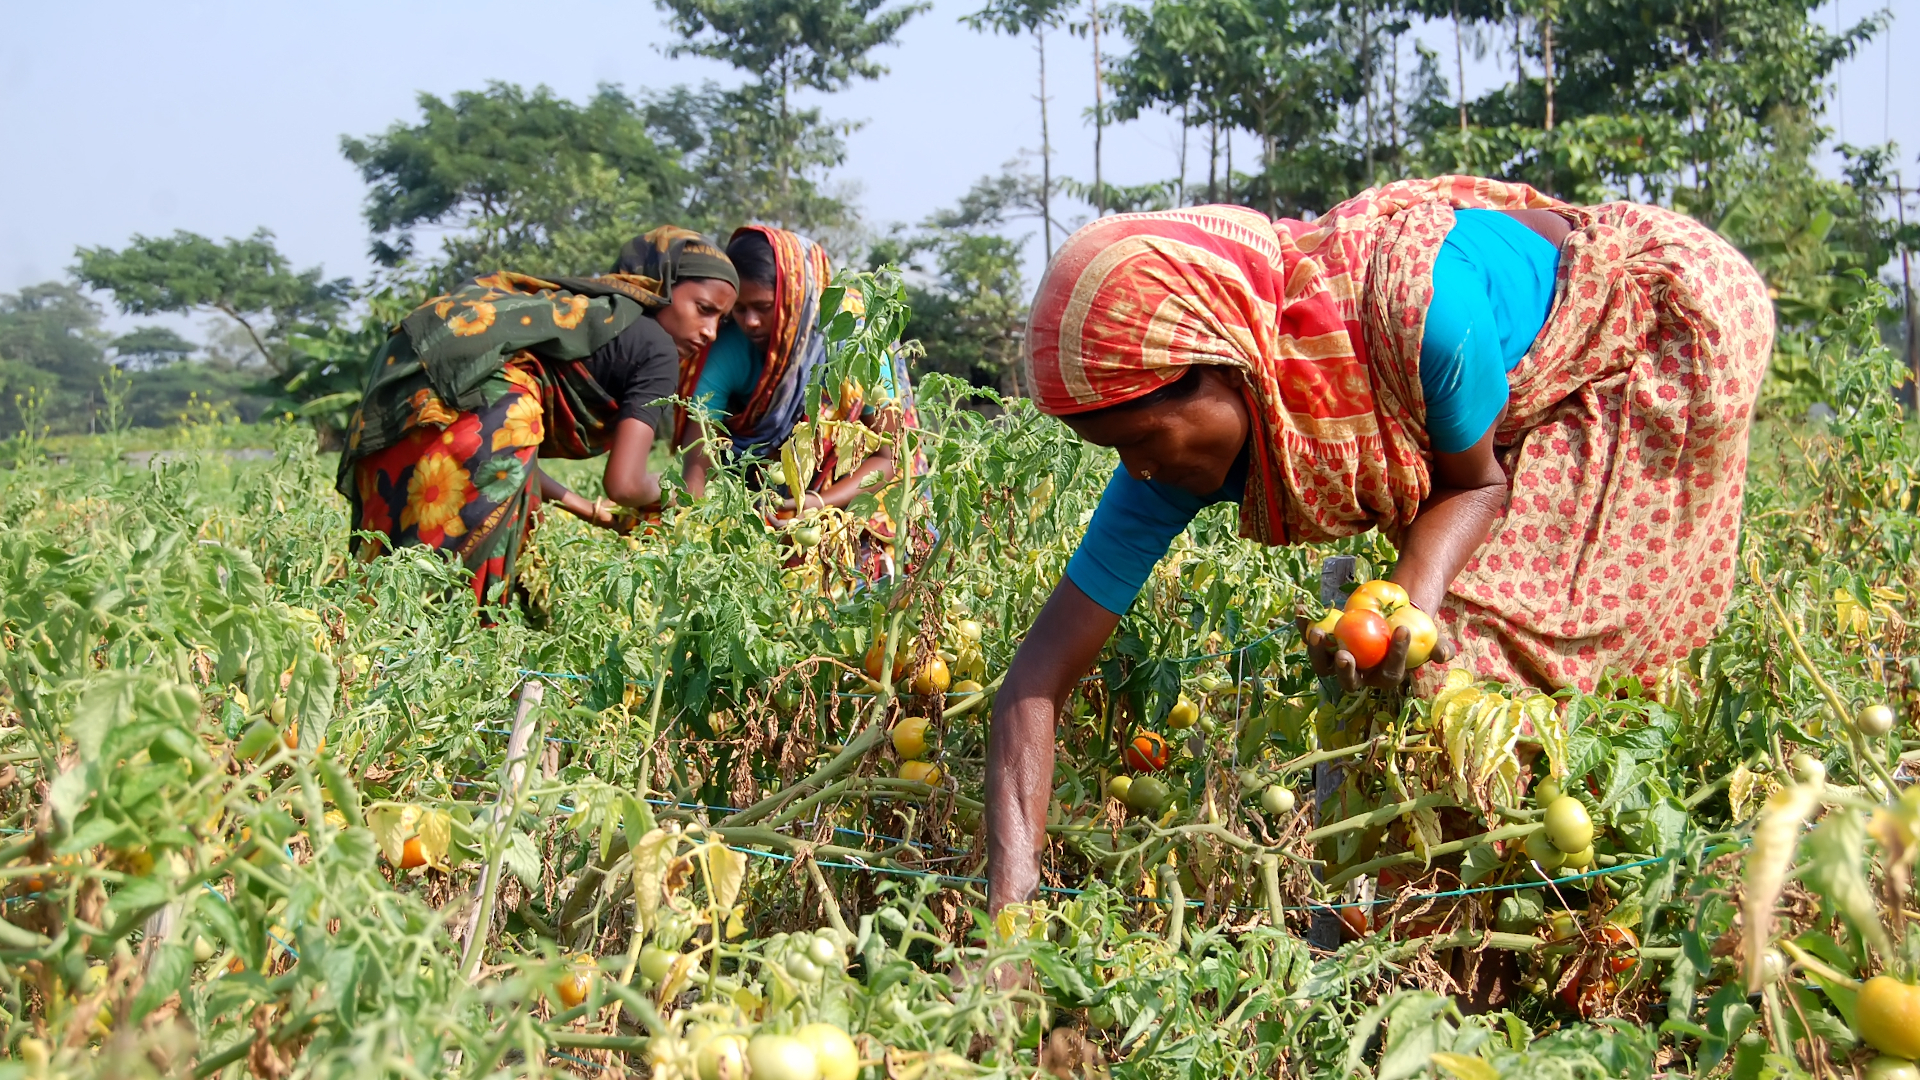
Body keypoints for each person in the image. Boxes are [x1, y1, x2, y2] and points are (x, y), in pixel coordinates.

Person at [984, 175, 1773, 913]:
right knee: (1439, 681)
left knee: (1490, 653)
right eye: (1116, 452)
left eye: (1144, 438)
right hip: (1506, 396)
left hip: (1655, 320)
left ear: (1226, 364)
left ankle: (1551, 918)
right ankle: (1456, 927)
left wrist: (1406, 600)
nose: (1140, 468)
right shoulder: (1166, 466)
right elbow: (1038, 676)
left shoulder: (1414, 319)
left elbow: (1477, 484)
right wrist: (1008, 922)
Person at [337, 227, 738, 603]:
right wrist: (688, 496)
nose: (711, 333)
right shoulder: (657, 350)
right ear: (661, 288)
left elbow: (510, 457)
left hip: (414, 416)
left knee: (386, 591)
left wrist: (589, 510)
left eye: (721, 320)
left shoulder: (586, 317)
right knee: (450, 608)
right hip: (457, 438)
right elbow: (626, 484)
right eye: (703, 309)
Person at [677, 225, 904, 514]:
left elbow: (890, 457)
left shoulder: (855, 343)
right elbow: (696, 472)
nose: (751, 322)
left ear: (795, 299)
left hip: (849, 497)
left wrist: (818, 504)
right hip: (754, 504)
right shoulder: (727, 349)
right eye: (740, 308)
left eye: (764, 307)